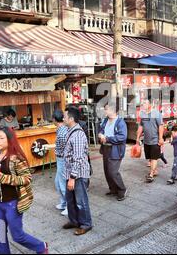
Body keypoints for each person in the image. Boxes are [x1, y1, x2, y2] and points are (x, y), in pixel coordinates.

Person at [0, 126, 48, 254]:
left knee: (17, 236)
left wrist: (3, 178)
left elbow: (27, 178)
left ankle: (41, 247)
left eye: (1, 138)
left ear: (9, 140)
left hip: (13, 203)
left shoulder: (16, 158)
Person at [62, 106, 92, 235]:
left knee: (81, 201)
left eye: (65, 116)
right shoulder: (70, 130)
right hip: (70, 173)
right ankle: (74, 221)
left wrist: (72, 178)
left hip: (78, 174)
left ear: (71, 118)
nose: (63, 118)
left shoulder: (78, 134)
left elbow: (79, 158)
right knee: (71, 200)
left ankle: (86, 224)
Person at [98, 101, 128, 201]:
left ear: (113, 110)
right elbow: (101, 129)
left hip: (115, 149)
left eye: (106, 109)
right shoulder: (105, 120)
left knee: (113, 171)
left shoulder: (120, 122)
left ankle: (122, 190)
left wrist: (107, 138)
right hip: (105, 148)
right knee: (107, 170)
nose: (105, 111)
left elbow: (122, 137)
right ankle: (113, 189)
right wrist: (100, 134)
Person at [136, 99, 164, 183]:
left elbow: (161, 126)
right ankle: (154, 170)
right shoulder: (143, 114)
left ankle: (151, 174)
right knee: (150, 158)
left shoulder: (156, 113)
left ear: (149, 104)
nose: (143, 105)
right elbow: (141, 126)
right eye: (142, 104)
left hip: (155, 140)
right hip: (146, 140)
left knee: (154, 157)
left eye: (144, 103)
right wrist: (137, 137)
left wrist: (160, 138)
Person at [53, 109, 69, 216]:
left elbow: (66, 148)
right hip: (60, 159)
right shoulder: (61, 129)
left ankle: (69, 206)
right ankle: (63, 203)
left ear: (54, 119)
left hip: (63, 160)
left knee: (62, 184)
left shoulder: (62, 131)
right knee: (58, 183)